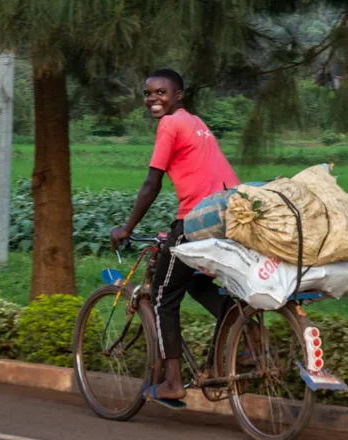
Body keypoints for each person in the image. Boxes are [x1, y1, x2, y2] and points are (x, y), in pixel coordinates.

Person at [110, 69, 240, 409]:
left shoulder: (169, 125)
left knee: (163, 296)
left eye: (161, 92)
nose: (153, 98)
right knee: (195, 283)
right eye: (148, 93)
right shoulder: (195, 122)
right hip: (229, 213)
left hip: (197, 218)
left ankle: (173, 382)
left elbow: (152, 184)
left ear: (178, 95)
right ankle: (246, 339)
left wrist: (126, 227)